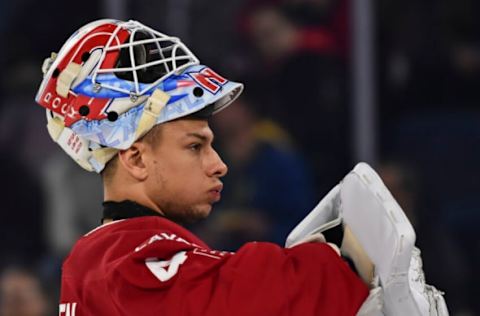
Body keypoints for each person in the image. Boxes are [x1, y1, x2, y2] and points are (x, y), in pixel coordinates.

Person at [35, 19, 369, 315]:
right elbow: (253, 294)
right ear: (136, 159)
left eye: (212, 145)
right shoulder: (133, 265)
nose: (219, 165)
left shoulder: (89, 261)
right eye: (194, 146)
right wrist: (345, 263)